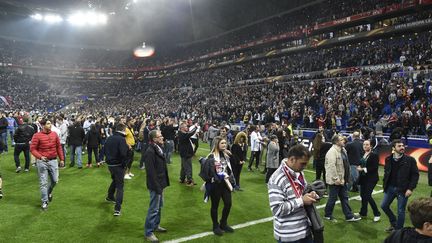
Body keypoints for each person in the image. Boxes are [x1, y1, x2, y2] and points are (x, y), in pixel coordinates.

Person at [268, 144, 318, 243]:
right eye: (302, 164)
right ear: (292, 159)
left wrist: (311, 195)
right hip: (289, 235)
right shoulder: (276, 179)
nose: (305, 167)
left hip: (305, 230)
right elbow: (277, 210)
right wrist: (302, 201)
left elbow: (303, 192)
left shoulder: (299, 173)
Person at [381, 139, 419, 232]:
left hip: (403, 189)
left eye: (402, 146)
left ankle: (398, 231)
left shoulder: (410, 160)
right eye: (399, 146)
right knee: (384, 206)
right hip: (389, 188)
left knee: (400, 211)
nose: (402, 147)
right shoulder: (388, 159)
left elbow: (415, 175)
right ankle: (394, 223)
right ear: (393, 148)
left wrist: (410, 188)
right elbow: (387, 172)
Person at [324, 134, 361, 222]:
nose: (343, 141)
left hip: (342, 179)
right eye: (341, 140)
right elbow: (331, 166)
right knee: (333, 198)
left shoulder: (343, 150)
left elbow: (345, 165)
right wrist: (336, 179)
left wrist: (344, 178)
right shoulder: (332, 152)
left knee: (344, 197)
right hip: (335, 180)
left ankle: (349, 216)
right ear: (336, 142)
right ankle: (327, 215)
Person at [202, 136, 235, 236]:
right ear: (217, 144)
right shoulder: (211, 156)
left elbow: (231, 168)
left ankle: (223, 223)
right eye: (222, 143)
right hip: (215, 185)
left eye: (225, 143)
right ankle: (215, 226)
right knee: (215, 206)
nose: (225, 145)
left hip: (225, 184)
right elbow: (205, 172)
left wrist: (231, 155)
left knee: (228, 203)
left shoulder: (226, 155)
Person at [30, 118, 65, 210]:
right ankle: (44, 201)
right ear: (43, 125)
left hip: (53, 161)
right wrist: (40, 157)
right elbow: (32, 149)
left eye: (50, 124)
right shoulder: (37, 136)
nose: (50, 125)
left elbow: (58, 147)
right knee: (43, 183)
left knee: (55, 180)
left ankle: (49, 192)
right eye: (48, 124)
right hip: (42, 162)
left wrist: (62, 159)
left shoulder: (54, 134)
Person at [143, 130, 169, 242]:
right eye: (160, 136)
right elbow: (151, 172)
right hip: (155, 185)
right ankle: (148, 232)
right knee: (154, 208)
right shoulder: (150, 151)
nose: (162, 137)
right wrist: (157, 187)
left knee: (159, 207)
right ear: (154, 139)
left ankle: (155, 226)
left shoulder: (158, 148)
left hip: (160, 183)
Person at [104, 123, 129, 216]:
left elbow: (104, 149)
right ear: (123, 129)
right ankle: (117, 209)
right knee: (120, 186)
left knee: (115, 180)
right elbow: (123, 154)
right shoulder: (122, 139)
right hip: (118, 165)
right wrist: (125, 164)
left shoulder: (109, 138)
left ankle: (110, 196)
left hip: (110, 165)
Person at [357, 139, 381, 222]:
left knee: (367, 196)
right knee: (363, 195)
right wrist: (359, 167)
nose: (365, 146)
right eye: (364, 144)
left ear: (371, 146)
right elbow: (361, 163)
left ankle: (377, 213)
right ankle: (363, 212)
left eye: (367, 144)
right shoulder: (364, 154)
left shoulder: (374, 155)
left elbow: (374, 168)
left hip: (371, 179)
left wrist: (363, 169)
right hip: (363, 178)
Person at [178, 122, 197, 186]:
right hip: (186, 153)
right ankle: (189, 180)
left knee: (183, 167)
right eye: (186, 127)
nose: (187, 127)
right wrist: (196, 127)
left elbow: (189, 133)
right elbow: (191, 133)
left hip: (185, 153)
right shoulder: (182, 134)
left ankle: (182, 179)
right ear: (182, 128)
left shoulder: (182, 133)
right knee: (188, 167)